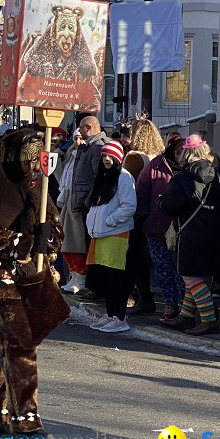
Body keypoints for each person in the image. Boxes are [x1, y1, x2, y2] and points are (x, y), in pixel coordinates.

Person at [0, 128, 68, 438]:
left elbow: (55, 231)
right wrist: (25, 243)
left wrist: (48, 237)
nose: (33, 170)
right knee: (20, 348)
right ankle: (26, 419)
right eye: (28, 163)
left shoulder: (41, 188)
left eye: (37, 163)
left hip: (35, 278)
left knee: (10, 347)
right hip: (5, 279)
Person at [159, 134, 220, 336]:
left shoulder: (181, 178)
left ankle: (208, 319)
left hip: (190, 231)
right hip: (213, 231)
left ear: (186, 153)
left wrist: (161, 201)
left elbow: (174, 206)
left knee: (190, 277)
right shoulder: (216, 174)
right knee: (196, 276)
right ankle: (186, 316)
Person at [86, 140, 138, 333]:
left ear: (118, 158)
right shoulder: (103, 177)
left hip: (116, 234)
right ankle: (110, 315)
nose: (106, 159)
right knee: (107, 278)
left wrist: (110, 221)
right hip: (101, 234)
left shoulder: (124, 178)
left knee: (117, 278)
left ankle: (120, 317)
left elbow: (129, 206)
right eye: (104, 156)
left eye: (110, 156)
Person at [137, 135, 186, 322]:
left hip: (180, 229)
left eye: (184, 150)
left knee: (180, 271)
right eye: (177, 150)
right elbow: (141, 191)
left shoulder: (190, 168)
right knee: (163, 269)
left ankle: (184, 307)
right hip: (156, 228)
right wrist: (145, 217)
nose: (180, 154)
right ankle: (170, 305)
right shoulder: (156, 165)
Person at [60, 115, 106, 297]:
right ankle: (75, 275)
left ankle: (81, 277)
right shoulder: (84, 148)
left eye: (81, 129)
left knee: (79, 242)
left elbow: (96, 177)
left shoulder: (97, 147)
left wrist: (88, 201)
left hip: (83, 202)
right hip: (74, 199)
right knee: (69, 240)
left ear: (89, 128)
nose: (79, 133)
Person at [123, 118, 164, 315]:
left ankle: (143, 298)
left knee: (137, 258)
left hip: (137, 213)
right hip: (157, 212)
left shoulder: (133, 158)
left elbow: (126, 187)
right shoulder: (159, 157)